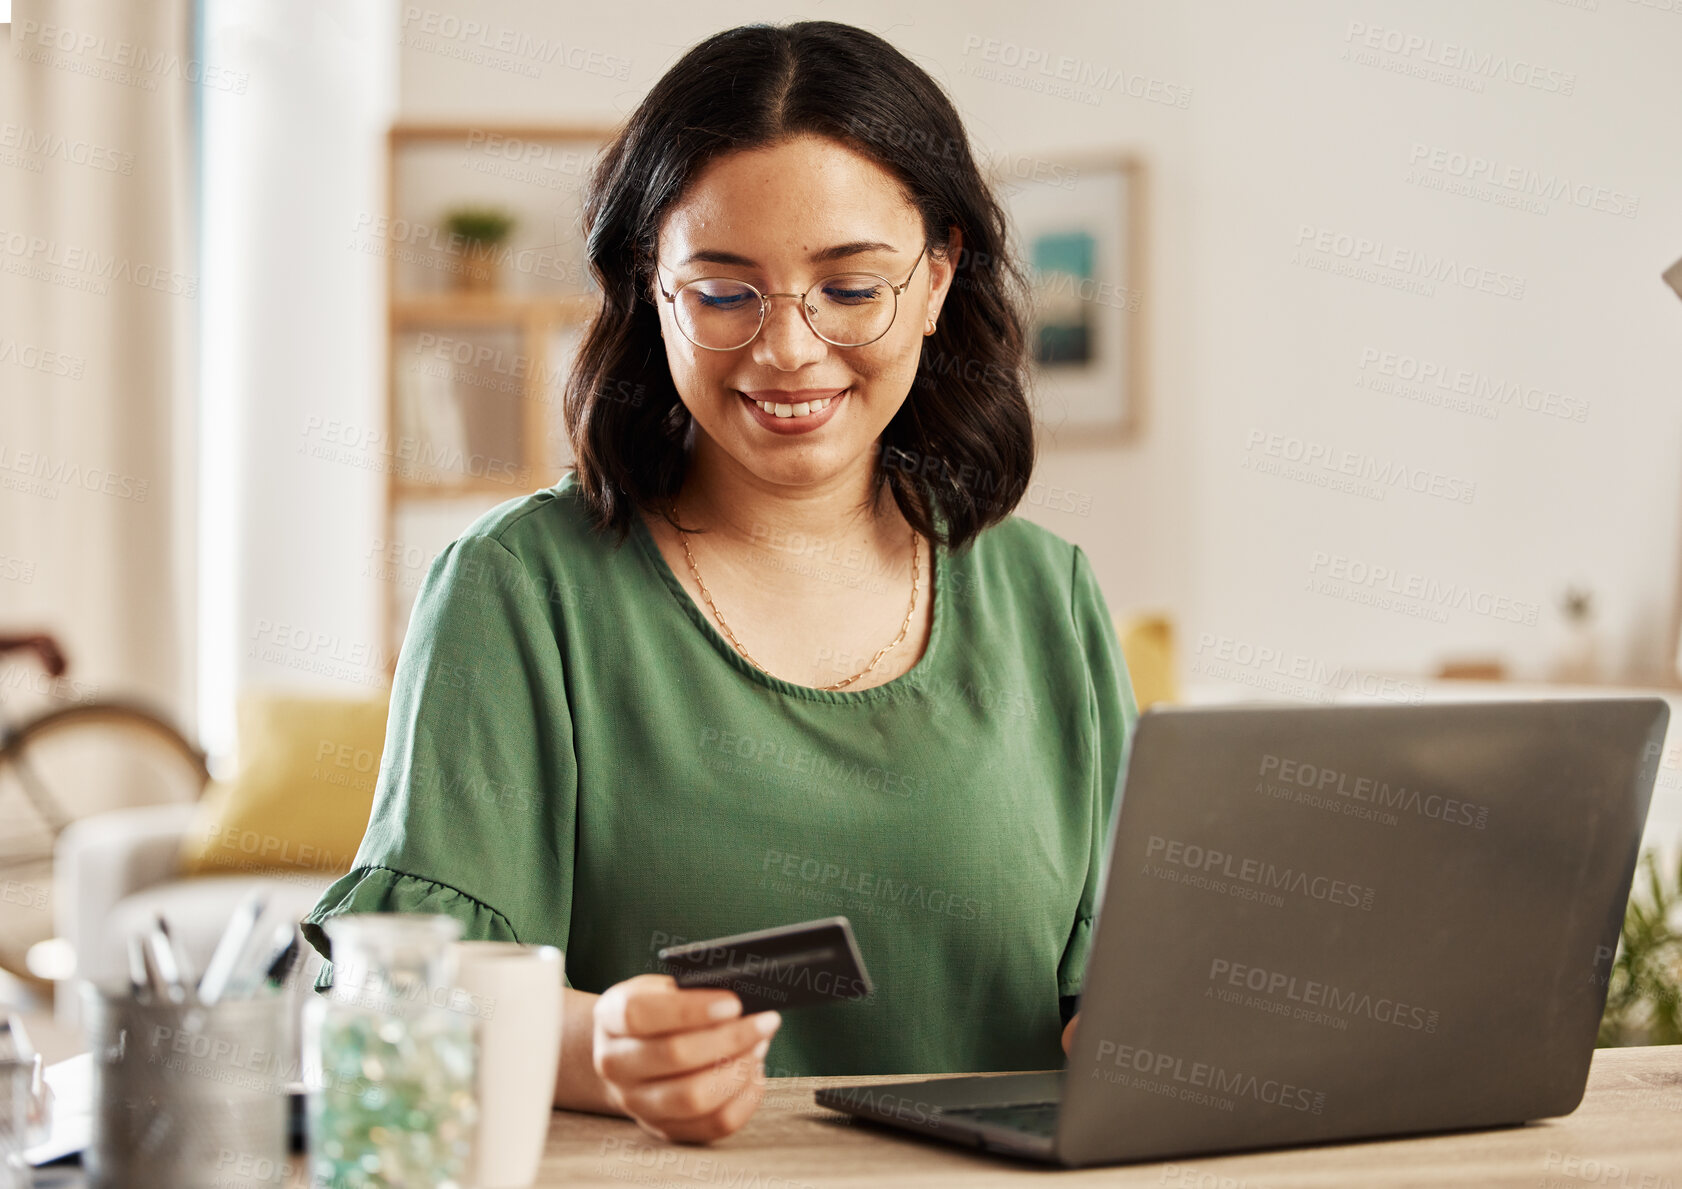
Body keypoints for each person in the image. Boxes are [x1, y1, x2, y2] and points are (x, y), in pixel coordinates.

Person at [301, 19, 1138, 1144]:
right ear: (650, 286)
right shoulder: (519, 593)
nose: (788, 349)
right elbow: (390, 993)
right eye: (724, 292)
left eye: (850, 289)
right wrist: (602, 1048)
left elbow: (1127, 991)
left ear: (937, 278)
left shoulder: (1049, 598)